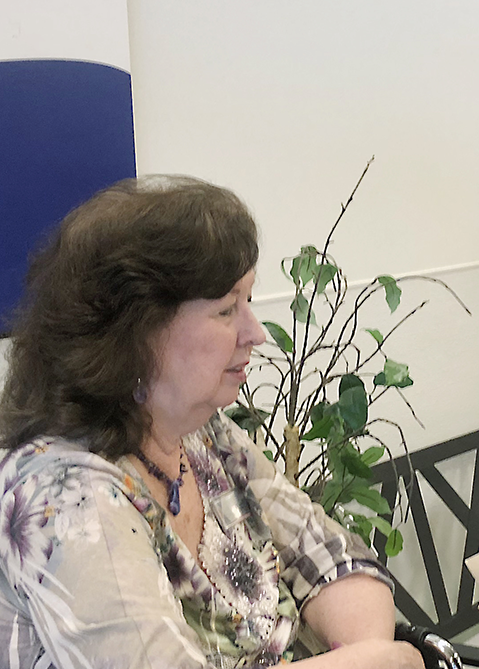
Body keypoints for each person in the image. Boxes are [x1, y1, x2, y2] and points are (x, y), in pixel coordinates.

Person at [0, 176, 424, 669]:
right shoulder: (64, 499)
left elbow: (331, 556)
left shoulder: (201, 433)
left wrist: (369, 655)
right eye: (226, 310)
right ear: (136, 334)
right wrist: (381, 662)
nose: (256, 333)